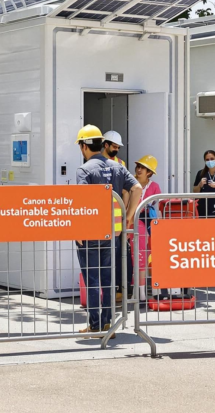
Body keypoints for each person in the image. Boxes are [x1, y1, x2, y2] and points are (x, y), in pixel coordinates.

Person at [74, 125, 141, 336]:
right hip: (114, 232)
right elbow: (137, 188)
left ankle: (95, 326)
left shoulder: (84, 170)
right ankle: (108, 325)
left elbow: (84, 200)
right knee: (109, 280)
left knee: (92, 279)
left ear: (84, 146)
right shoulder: (118, 167)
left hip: (92, 233)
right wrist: (128, 217)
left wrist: (80, 230)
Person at [102, 131, 133, 298]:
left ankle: (122, 289)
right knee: (107, 256)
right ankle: (109, 290)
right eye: (114, 146)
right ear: (105, 145)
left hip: (117, 218)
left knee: (121, 253)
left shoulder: (121, 163)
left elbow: (126, 190)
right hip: (102, 217)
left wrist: (125, 212)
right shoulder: (96, 163)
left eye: (118, 147)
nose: (117, 150)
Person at [132, 155, 161, 305]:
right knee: (138, 256)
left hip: (149, 222)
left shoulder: (154, 186)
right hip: (134, 222)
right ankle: (140, 293)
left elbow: (156, 202)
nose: (138, 169)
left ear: (149, 172)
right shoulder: (130, 182)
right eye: (138, 166)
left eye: (142, 167)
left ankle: (154, 291)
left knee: (151, 255)